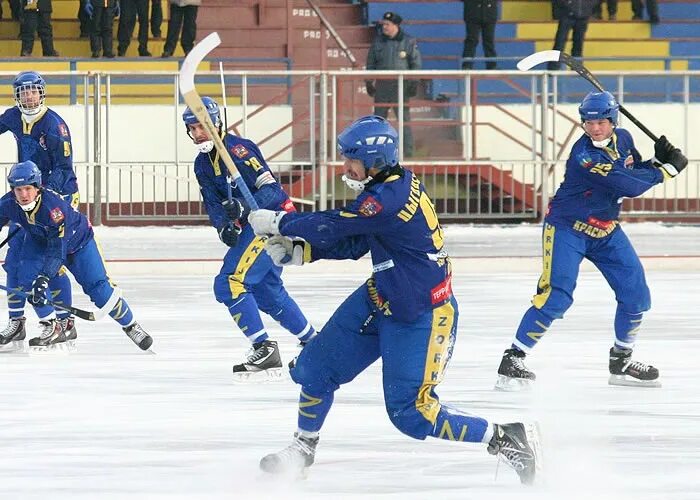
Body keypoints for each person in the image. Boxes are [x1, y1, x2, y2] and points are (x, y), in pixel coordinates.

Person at [248, 115, 542, 483]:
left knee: (411, 414)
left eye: (350, 159)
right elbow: (361, 238)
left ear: (374, 161)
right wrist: (304, 252)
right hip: (381, 297)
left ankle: (503, 436)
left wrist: (281, 224)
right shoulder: (386, 188)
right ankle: (303, 449)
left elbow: (338, 223)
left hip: (421, 314)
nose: (345, 166)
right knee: (313, 370)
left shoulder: (387, 198)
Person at [495, 91, 688, 390]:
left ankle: (621, 361)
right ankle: (513, 358)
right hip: (568, 228)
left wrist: (655, 160)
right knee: (558, 295)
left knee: (636, 293)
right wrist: (668, 169)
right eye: (589, 122)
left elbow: (632, 171)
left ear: (613, 120)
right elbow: (627, 184)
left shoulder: (623, 139)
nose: (595, 128)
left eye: (601, 122)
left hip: (606, 230)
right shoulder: (585, 155)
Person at [182, 96, 316, 380]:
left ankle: (263, 347)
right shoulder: (202, 164)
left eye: (200, 128)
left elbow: (271, 190)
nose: (196, 135)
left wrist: (243, 207)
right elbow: (213, 202)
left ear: (216, 123)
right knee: (268, 291)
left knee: (229, 283)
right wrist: (223, 226)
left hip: (271, 220)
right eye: (191, 129)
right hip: (251, 225)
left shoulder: (240, 150)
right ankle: (313, 342)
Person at [0, 161, 153, 351]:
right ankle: (51, 326)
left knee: (99, 290)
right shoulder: (8, 203)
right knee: (27, 277)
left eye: (28, 189)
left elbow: (57, 250)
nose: (23, 195)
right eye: (18, 189)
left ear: (37, 187)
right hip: (41, 242)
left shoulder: (54, 209)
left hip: (78, 244)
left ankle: (131, 326)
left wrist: (44, 277)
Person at [0, 71, 80, 349]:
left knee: (50, 263)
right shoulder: (12, 117)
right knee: (13, 261)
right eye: (23, 92)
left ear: (41, 93)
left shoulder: (55, 126)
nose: (28, 96)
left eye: (33, 91)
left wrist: (44, 198)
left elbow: (63, 168)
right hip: (25, 198)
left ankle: (62, 322)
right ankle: (17, 321)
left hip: (55, 198)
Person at [365, 11, 421, 157]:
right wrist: (369, 82)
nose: (384, 27)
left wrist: (414, 82)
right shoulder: (377, 42)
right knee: (378, 121)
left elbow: (416, 64)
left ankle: (408, 154)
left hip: (401, 87)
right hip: (382, 86)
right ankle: (376, 152)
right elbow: (370, 63)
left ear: (396, 25)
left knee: (404, 121)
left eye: (387, 25)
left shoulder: (408, 42)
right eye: (383, 24)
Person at [547, 0, 597, 71]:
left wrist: (588, 8)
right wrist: (567, 5)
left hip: (583, 17)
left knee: (578, 44)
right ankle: (553, 69)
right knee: (559, 43)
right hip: (566, 15)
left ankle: (577, 69)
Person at [461, 0, 499, 70]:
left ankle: (492, 65)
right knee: (471, 41)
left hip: (489, 12)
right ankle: (467, 65)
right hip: (472, 12)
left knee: (489, 41)